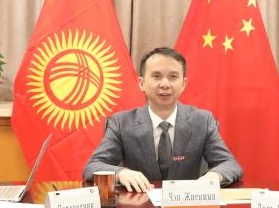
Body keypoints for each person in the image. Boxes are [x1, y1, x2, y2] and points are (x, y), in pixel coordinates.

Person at [83, 47, 243, 192]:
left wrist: (214, 176)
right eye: (156, 76)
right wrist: (120, 173)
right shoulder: (121, 123)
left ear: (183, 84)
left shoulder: (202, 121)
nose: (165, 84)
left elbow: (230, 165)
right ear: (141, 83)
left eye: (173, 77)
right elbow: (93, 166)